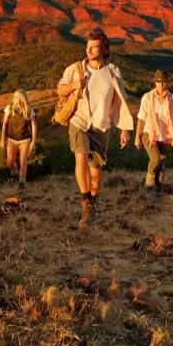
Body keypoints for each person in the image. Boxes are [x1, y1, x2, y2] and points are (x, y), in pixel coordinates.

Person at [57, 29, 133, 228]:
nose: (89, 50)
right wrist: (75, 85)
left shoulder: (113, 72)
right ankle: (85, 204)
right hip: (79, 121)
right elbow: (60, 89)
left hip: (101, 126)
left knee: (96, 174)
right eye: (88, 46)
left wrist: (124, 129)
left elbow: (120, 102)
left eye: (94, 46)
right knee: (81, 156)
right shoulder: (75, 69)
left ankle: (92, 199)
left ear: (104, 49)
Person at [134, 69, 173, 189]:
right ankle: (148, 184)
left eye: (164, 81)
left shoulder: (172, 98)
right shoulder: (147, 97)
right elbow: (141, 118)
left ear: (167, 82)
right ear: (155, 83)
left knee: (162, 163)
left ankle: (159, 189)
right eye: (159, 81)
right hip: (149, 134)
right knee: (156, 159)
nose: (161, 84)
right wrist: (137, 137)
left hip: (165, 135)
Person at [0, 89, 37, 193]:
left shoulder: (29, 110)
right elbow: (5, 124)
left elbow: (33, 126)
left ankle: (21, 182)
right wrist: (3, 138)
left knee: (23, 163)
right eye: (14, 96)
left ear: (21, 98)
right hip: (11, 140)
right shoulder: (9, 108)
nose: (14, 98)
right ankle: (14, 172)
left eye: (16, 97)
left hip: (25, 140)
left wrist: (33, 141)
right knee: (10, 162)